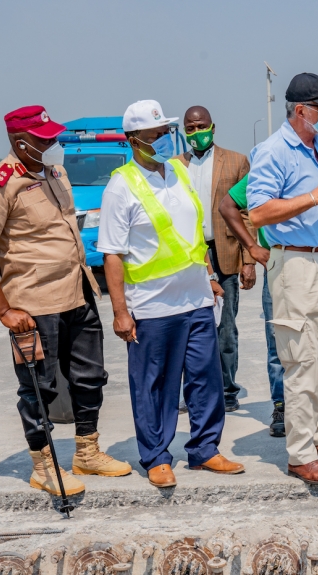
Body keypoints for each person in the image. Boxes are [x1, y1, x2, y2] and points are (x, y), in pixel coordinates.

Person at [0, 105, 130, 497]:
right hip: (34, 304)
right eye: (44, 140)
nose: (53, 144)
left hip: (78, 291)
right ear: (21, 142)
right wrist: (4, 310)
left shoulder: (56, 172)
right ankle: (43, 465)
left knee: (90, 377)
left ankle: (87, 451)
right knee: (39, 387)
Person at [98, 100, 245, 489]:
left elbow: (193, 233)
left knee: (205, 378)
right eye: (154, 135)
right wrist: (119, 312)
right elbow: (112, 254)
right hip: (151, 305)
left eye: (165, 133)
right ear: (133, 140)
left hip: (196, 298)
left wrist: (210, 275)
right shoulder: (121, 185)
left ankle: (205, 449)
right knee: (154, 385)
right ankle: (156, 456)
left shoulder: (179, 172)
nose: (163, 140)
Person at [247, 73, 318, 486]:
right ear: (301, 110)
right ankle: (300, 454)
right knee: (301, 360)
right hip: (294, 265)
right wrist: (314, 197)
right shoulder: (273, 151)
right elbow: (257, 212)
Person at [221, 166, 318, 438]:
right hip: (284, 266)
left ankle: (317, 422)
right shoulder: (270, 169)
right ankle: (281, 406)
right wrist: (252, 247)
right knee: (282, 345)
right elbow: (229, 206)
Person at [175, 105, 253, 413]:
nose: (196, 133)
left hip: (225, 255)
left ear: (213, 127)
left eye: (201, 126)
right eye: (190, 128)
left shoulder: (235, 162)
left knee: (225, 328)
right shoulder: (172, 166)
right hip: (188, 258)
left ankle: (226, 390)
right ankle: (192, 391)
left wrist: (248, 260)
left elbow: (246, 215)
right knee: (187, 326)